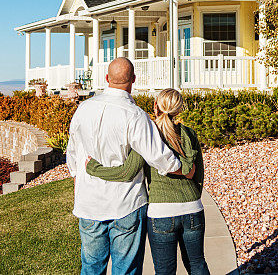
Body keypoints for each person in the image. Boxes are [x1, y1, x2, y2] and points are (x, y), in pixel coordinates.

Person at [67, 57, 182, 275]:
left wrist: (79, 178)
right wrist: (182, 169)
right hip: (126, 203)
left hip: (89, 203)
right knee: (126, 270)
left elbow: (73, 152)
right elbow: (158, 156)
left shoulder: (83, 109)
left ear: (107, 78)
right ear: (134, 80)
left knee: (91, 268)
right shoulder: (136, 115)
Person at [87, 88, 210, 275]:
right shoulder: (189, 134)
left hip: (161, 212)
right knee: (197, 265)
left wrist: (94, 168)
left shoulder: (148, 135)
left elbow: (126, 172)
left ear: (155, 106)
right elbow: (198, 174)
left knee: (164, 271)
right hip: (193, 208)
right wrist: (193, 198)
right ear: (180, 108)